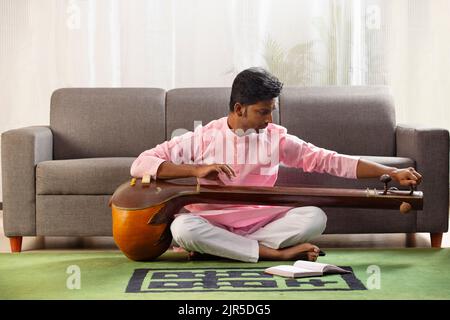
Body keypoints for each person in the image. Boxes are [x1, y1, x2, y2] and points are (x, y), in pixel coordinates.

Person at [130, 67, 422, 263]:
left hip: (262, 224)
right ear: (238, 109)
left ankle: (224, 250)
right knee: (183, 228)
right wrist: (194, 170)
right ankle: (275, 254)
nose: (270, 119)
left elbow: (330, 160)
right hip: (210, 224)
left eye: (272, 111)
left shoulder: (276, 138)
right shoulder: (203, 137)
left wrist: (391, 172)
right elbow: (141, 164)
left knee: (315, 217)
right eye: (263, 112)